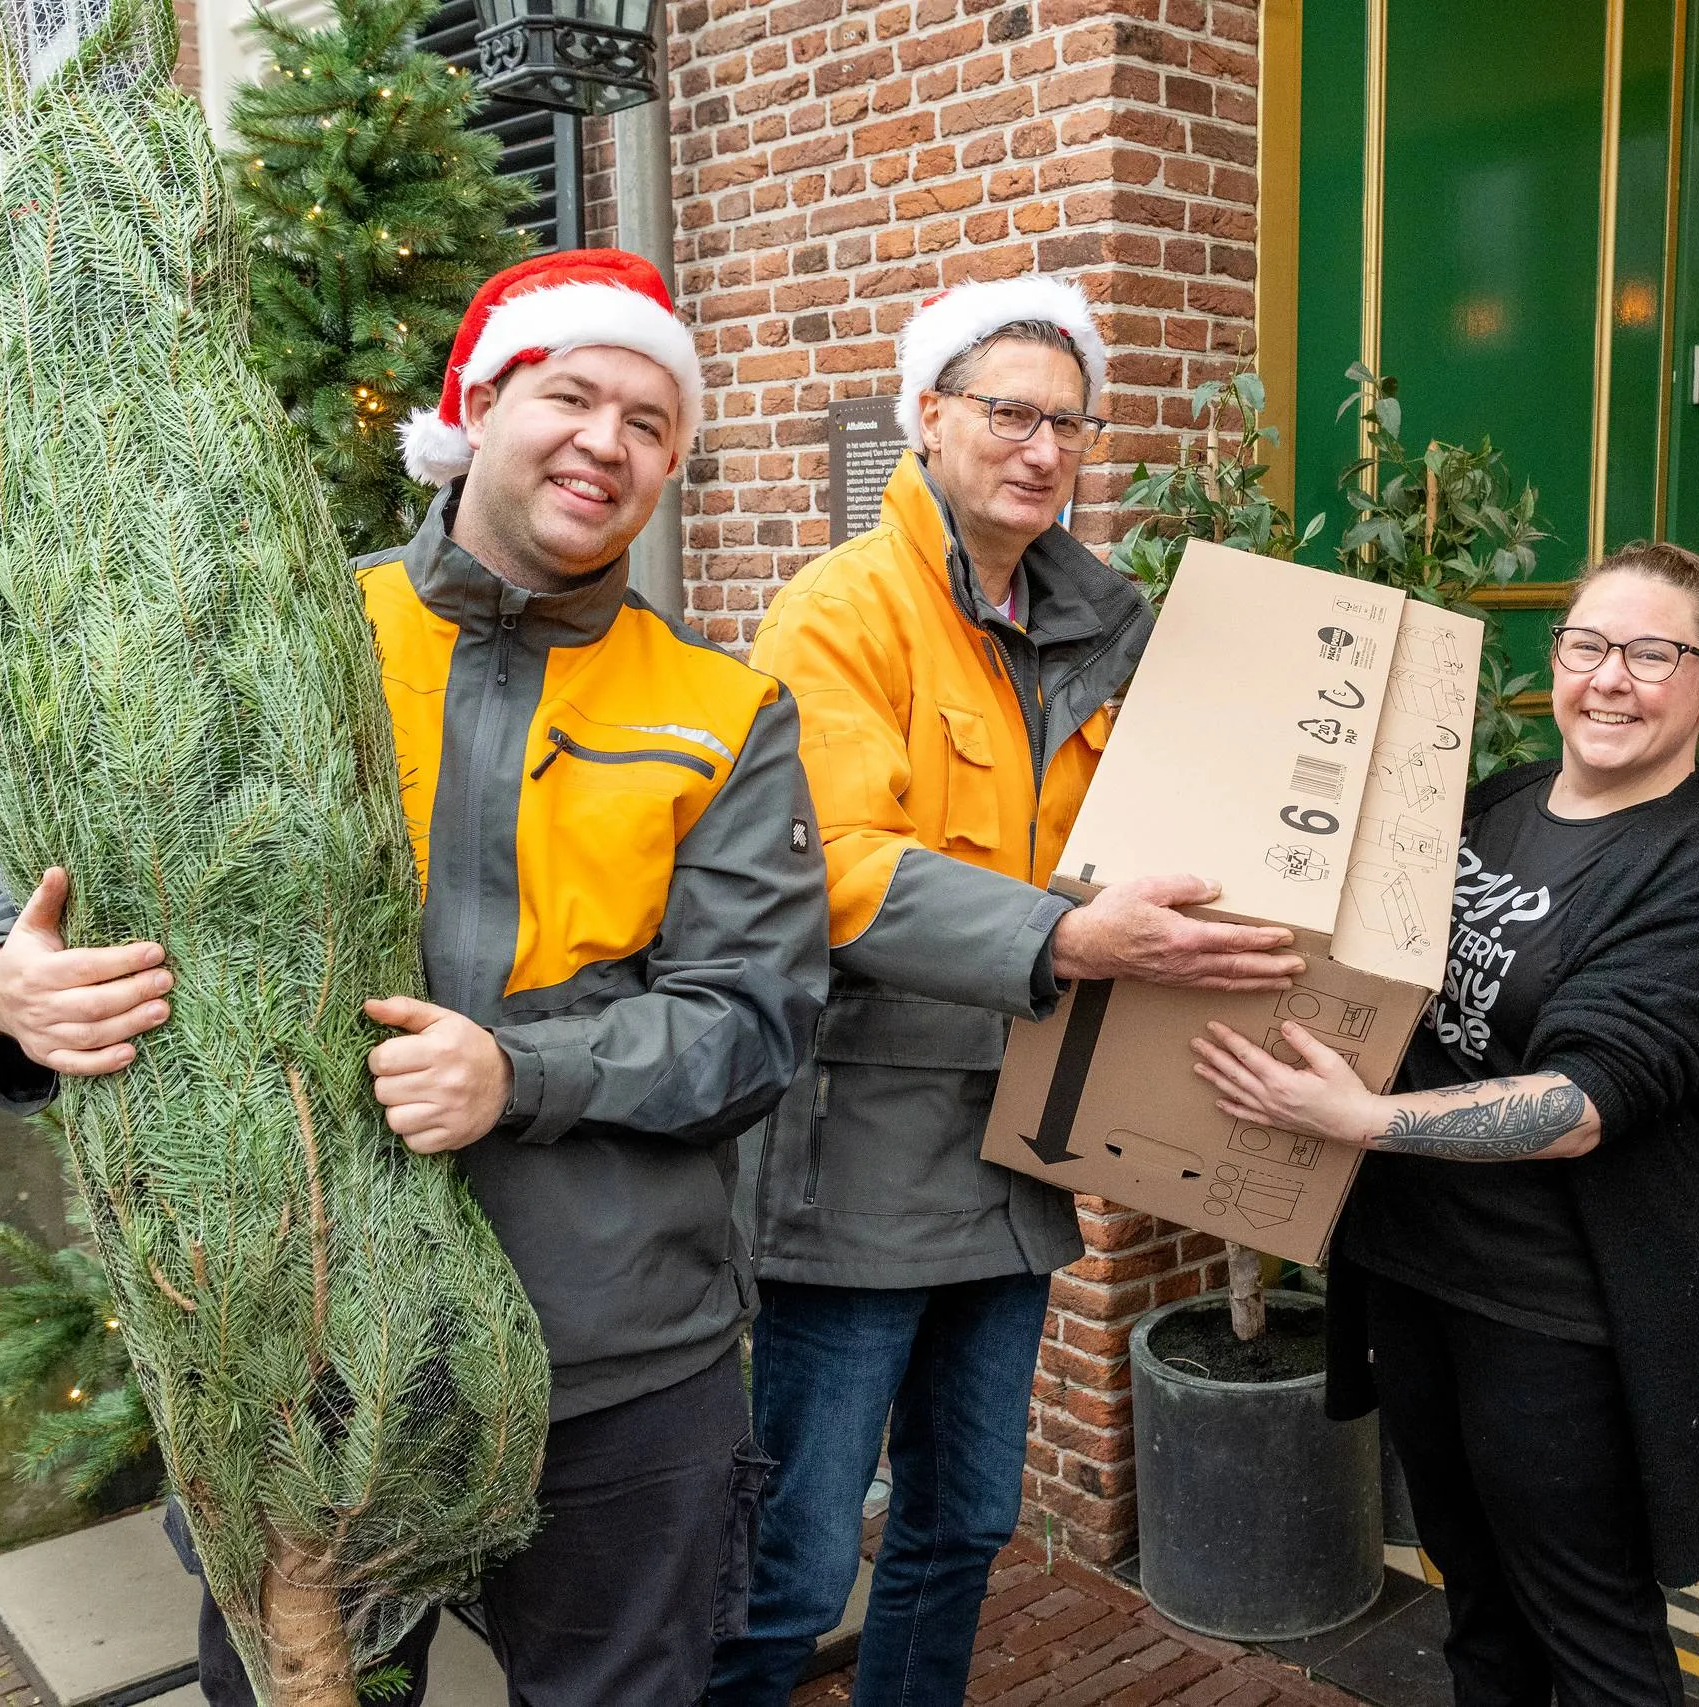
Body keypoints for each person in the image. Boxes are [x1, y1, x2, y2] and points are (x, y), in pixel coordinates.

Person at [0, 250, 830, 1707]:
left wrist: (519, 1073)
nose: (608, 443)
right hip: (302, 1348)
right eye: (571, 394)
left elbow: (757, 1019)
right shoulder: (289, 640)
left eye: (652, 422)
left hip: (616, 1363)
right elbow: (75, 878)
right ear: (479, 406)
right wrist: (3, 980)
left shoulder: (722, 711)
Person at [709, 277, 1307, 1707]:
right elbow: (838, 864)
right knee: (794, 1554)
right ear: (929, 417)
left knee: (966, 1521)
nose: (1043, 447)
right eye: (1009, 413)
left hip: (1024, 1137)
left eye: (1069, 423)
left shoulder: (1106, 627)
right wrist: (1072, 938)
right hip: (858, 1157)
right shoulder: (839, 611)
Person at [1185, 540, 1699, 1707]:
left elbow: (1576, 1105)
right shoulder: (1494, 803)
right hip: (1416, 1271)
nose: (1610, 678)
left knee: (1589, 1622)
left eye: (1652, 654)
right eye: (1587, 645)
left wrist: (1357, 1117)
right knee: (1478, 1602)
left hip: (1556, 1307)